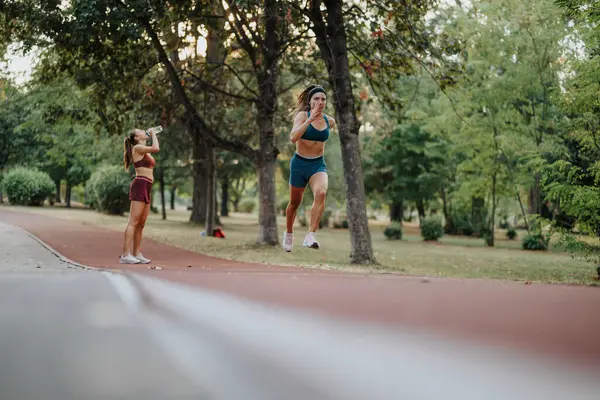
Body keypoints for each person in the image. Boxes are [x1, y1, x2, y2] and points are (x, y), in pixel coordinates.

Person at [282, 84, 336, 252]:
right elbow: (293, 137)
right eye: (316, 98)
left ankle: (310, 235)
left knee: (321, 192)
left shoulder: (330, 121)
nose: (320, 102)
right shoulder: (302, 116)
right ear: (310, 101)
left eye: (323, 99)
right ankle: (289, 234)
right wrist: (310, 119)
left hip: (317, 165)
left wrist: (318, 118)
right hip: (299, 164)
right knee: (294, 203)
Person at [120, 127, 160, 264]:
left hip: (147, 186)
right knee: (133, 221)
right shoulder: (137, 148)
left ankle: (137, 253)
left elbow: (152, 150)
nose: (145, 131)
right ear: (137, 138)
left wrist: (152, 134)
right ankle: (125, 254)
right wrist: (154, 133)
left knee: (141, 224)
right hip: (140, 184)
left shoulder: (144, 150)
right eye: (141, 131)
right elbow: (156, 148)